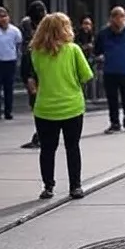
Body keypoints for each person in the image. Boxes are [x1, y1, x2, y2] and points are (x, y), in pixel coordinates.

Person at [27, 12, 94, 200]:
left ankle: (48, 187)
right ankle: (75, 187)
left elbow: (34, 75)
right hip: (72, 106)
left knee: (47, 149)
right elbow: (86, 75)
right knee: (72, 147)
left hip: (45, 108)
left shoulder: (36, 52)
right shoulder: (73, 50)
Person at [94, 7, 125, 133]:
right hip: (110, 70)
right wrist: (99, 56)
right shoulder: (104, 33)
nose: (118, 21)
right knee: (112, 99)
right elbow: (97, 50)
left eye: (121, 18)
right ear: (111, 19)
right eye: (115, 18)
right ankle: (115, 123)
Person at [19, 0, 47, 148]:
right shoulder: (28, 24)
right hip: (32, 64)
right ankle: (41, 134)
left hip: (37, 65)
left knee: (38, 102)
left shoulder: (45, 25)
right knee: (36, 101)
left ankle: (41, 134)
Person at [0, 6, 23, 120]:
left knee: (9, 88)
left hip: (10, 61)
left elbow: (18, 44)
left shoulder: (14, 31)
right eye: (0, 16)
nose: (3, 19)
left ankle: (8, 111)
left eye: (5, 16)